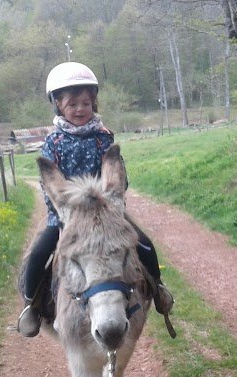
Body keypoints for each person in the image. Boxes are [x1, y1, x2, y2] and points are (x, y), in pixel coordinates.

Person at [17, 61, 174, 337]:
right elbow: (48, 182)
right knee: (40, 254)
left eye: (86, 103)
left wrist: (113, 197)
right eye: (72, 104)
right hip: (67, 216)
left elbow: (117, 171)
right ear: (58, 105)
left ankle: (158, 288)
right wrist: (64, 209)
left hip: (106, 214)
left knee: (144, 244)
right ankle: (32, 304)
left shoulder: (103, 137)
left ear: (94, 104)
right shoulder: (54, 142)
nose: (80, 109)